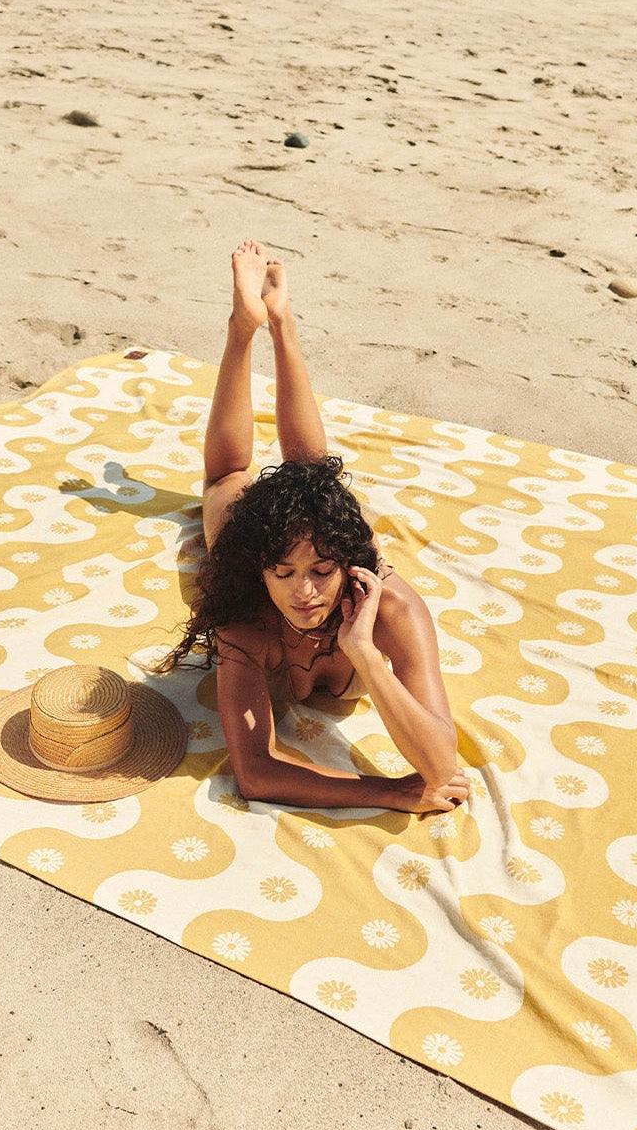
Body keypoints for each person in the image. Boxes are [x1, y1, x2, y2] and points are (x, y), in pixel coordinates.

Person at [156, 241, 469, 815]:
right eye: (285, 574)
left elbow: (443, 765)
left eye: (323, 572)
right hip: (256, 540)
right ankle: (242, 329)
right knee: (227, 479)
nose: (305, 592)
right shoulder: (244, 618)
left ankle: (282, 322)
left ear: (348, 565)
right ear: (261, 571)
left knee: (313, 480)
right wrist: (388, 791)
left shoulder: (395, 609)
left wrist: (367, 655)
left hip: (331, 555)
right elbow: (254, 771)